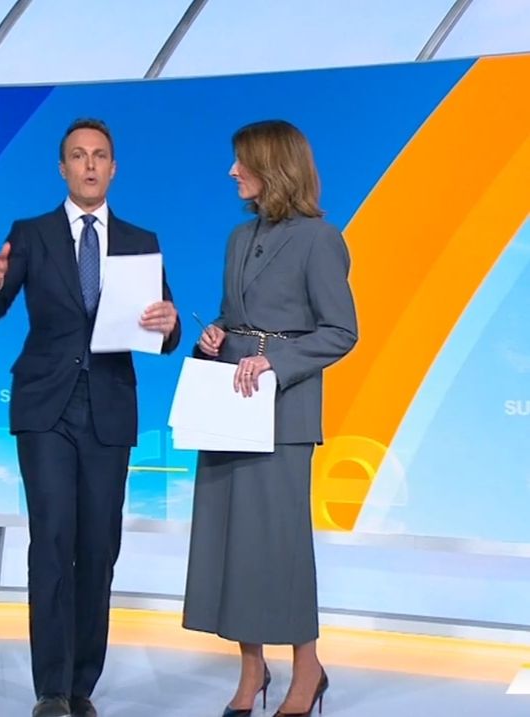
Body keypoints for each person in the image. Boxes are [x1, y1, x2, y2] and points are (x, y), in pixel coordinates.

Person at [0, 118, 181, 717]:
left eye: (100, 155)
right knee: (52, 539)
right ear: (62, 168)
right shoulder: (31, 234)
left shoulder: (141, 240)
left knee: (98, 546)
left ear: (113, 168)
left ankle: (83, 683)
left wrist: (170, 325)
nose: (90, 165)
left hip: (109, 406)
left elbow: (165, 329)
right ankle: (52, 689)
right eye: (78, 155)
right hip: (46, 407)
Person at [182, 120, 357, 717]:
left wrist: (274, 363)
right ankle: (253, 670)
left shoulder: (320, 239)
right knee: (231, 545)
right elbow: (234, 315)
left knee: (279, 546)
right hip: (229, 405)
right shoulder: (239, 237)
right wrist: (215, 336)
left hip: (281, 413)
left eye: (242, 162)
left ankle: (308, 669)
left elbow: (341, 331)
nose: (232, 171)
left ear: (273, 166)